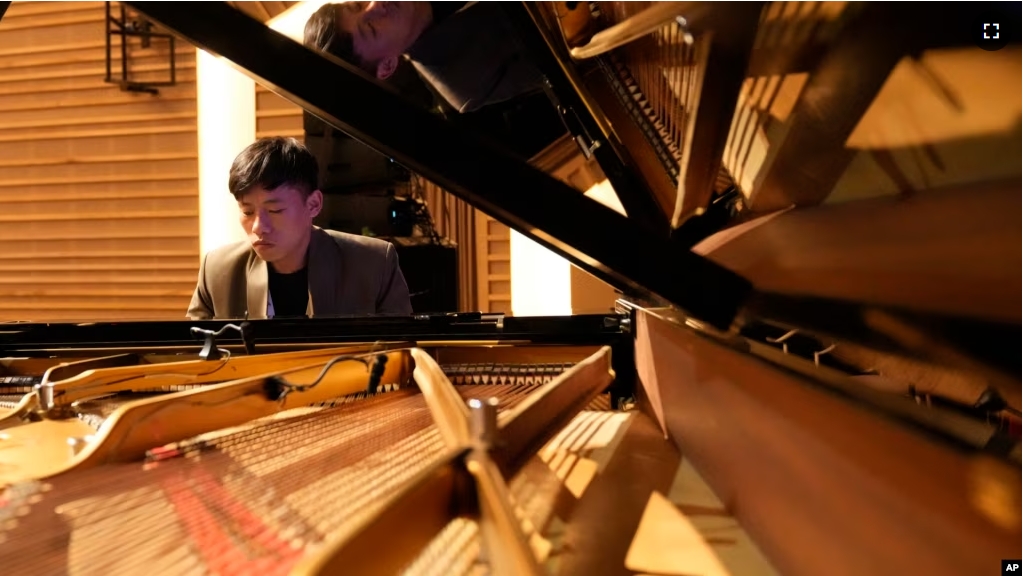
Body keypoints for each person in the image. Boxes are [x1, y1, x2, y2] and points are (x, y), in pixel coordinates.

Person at [186, 137, 413, 320]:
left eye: (275, 211)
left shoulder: (373, 263)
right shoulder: (217, 270)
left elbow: (401, 358)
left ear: (313, 204)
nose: (258, 227)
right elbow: (191, 359)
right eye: (247, 212)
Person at [303, 1, 545, 115]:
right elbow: (569, 53)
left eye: (358, 4)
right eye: (372, 28)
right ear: (387, 65)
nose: (377, 5)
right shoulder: (464, 85)